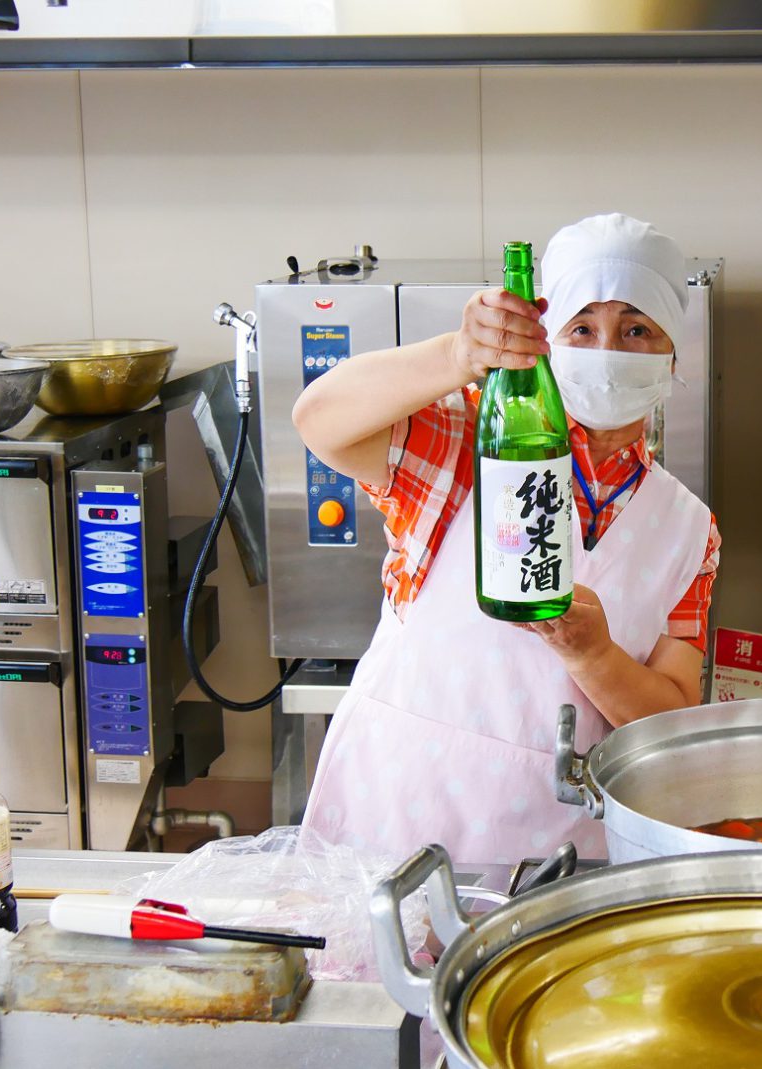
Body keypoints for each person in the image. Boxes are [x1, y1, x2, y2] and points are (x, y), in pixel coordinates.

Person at [293, 214, 720, 862]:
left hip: (559, 854)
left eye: (637, 329)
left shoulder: (690, 530)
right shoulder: (469, 442)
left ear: (671, 354)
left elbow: (672, 719)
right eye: (582, 327)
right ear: (547, 339)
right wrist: (459, 355)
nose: (607, 350)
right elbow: (319, 420)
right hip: (398, 829)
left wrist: (595, 657)